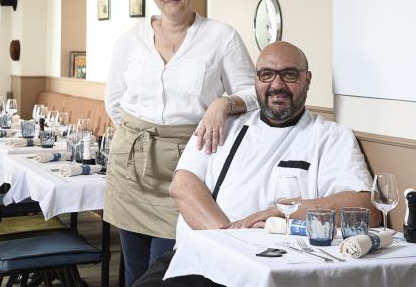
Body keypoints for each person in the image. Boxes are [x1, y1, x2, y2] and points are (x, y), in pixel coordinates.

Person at [131, 41, 381, 287]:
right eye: (267, 75)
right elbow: (183, 186)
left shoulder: (330, 136)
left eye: (289, 74)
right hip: (197, 259)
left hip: (275, 269)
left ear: (307, 80)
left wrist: (278, 211)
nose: (277, 85)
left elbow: (367, 209)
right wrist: (232, 242)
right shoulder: (223, 124)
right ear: (256, 81)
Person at [104, 0, 259, 286]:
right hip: (130, 165)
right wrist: (140, 136)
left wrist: (223, 102)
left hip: (188, 165)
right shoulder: (130, 40)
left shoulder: (222, 37)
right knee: (132, 267)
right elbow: (115, 101)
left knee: (167, 265)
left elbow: (253, 94)